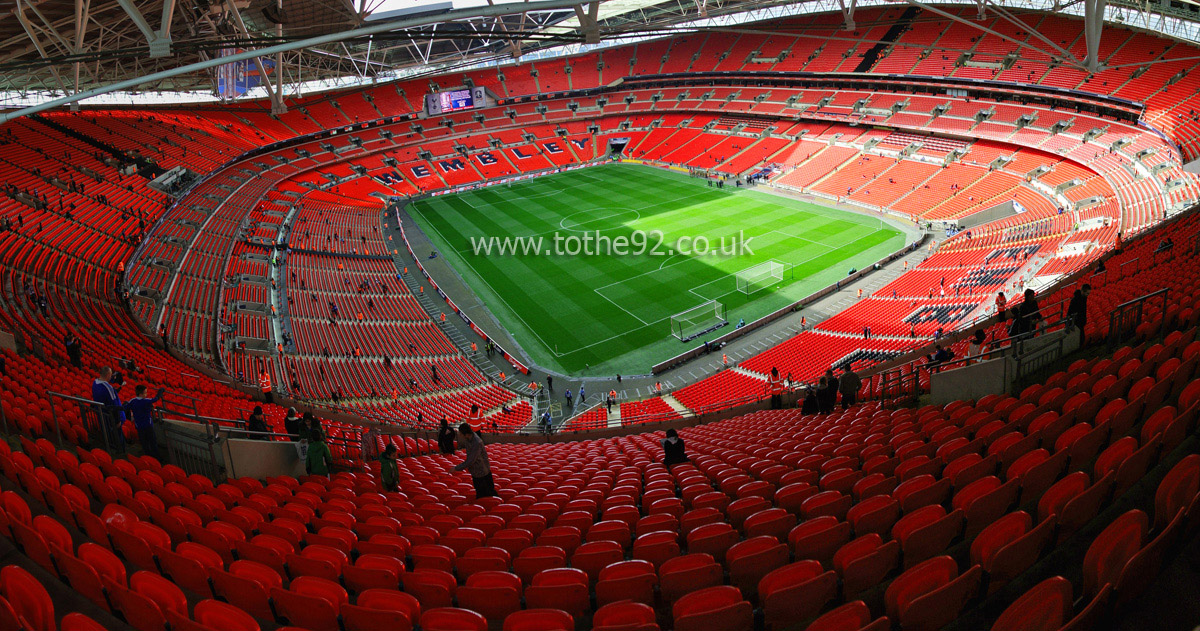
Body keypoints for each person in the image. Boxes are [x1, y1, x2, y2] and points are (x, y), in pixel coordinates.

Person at [453, 423, 496, 498]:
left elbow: (471, 460)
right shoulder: (468, 439)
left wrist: (456, 468)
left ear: (465, 434)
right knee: (481, 493)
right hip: (476, 472)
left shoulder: (476, 442)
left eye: (460, 433)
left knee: (487, 494)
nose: (459, 434)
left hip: (482, 472)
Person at [122, 385, 164, 460]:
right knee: (152, 441)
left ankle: (148, 457)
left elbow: (125, 407)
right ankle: (157, 457)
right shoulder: (146, 401)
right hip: (148, 425)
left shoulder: (133, 401)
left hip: (139, 426)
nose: (146, 394)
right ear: (141, 394)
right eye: (145, 393)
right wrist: (160, 392)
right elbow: (156, 399)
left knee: (144, 443)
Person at [92, 367, 125, 451]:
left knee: (107, 431)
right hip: (111, 416)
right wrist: (117, 420)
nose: (111, 377)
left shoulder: (95, 382)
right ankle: (120, 449)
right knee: (117, 434)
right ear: (107, 375)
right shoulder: (108, 387)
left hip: (102, 413)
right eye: (110, 374)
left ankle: (111, 445)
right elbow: (114, 405)